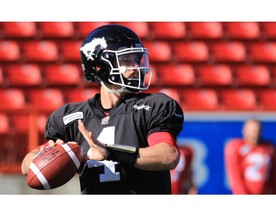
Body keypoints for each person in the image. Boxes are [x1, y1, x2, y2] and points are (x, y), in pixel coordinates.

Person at [21, 24, 184, 194]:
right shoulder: (71, 117)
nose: (136, 67)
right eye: (126, 60)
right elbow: (27, 165)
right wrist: (57, 153)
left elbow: (168, 155)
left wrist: (112, 152)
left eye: (137, 60)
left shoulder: (152, 105)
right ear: (99, 65)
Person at [224, 118, 276, 194]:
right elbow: (235, 177)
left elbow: (274, 176)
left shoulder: (269, 148)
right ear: (244, 130)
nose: (255, 132)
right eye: (252, 129)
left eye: (257, 129)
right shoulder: (236, 147)